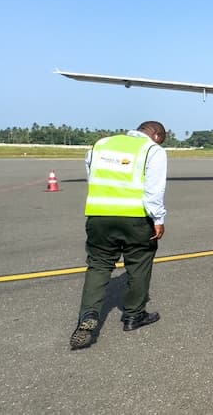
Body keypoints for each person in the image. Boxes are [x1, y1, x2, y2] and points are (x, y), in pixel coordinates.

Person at [69, 121, 168, 350]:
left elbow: (91, 177)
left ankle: (88, 316)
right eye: (162, 140)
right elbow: (154, 190)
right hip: (135, 217)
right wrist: (158, 219)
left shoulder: (101, 145)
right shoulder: (152, 151)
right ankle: (134, 315)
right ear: (156, 135)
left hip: (99, 215)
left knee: (98, 265)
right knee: (139, 263)